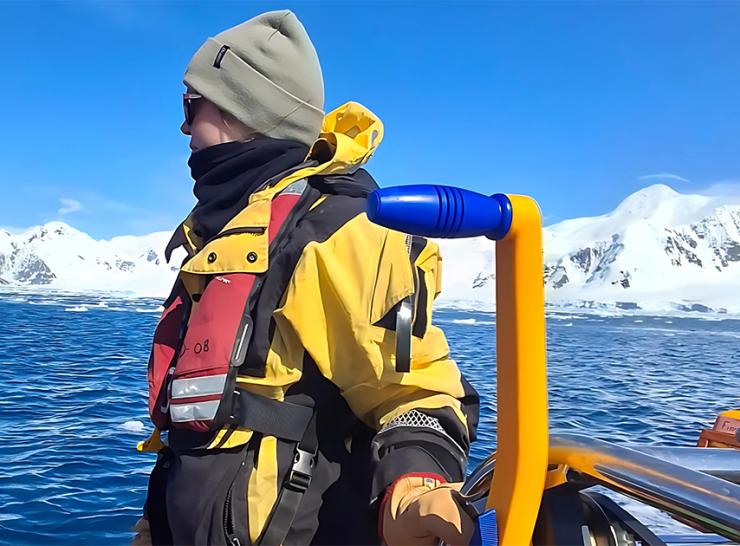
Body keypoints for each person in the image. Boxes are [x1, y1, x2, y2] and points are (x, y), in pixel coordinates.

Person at [133, 10, 479, 546]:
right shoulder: (227, 235)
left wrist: (415, 487)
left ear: (241, 108)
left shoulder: (340, 229)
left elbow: (418, 393)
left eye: (190, 103)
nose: (183, 125)